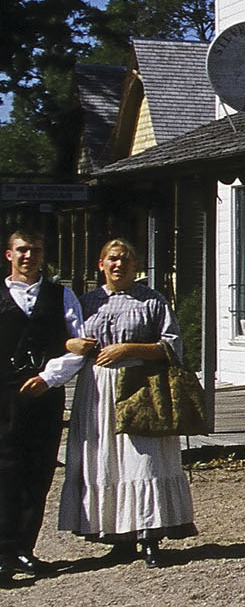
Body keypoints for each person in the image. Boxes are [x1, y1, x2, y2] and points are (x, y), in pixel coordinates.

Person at [57, 239, 196, 568]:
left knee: (143, 459)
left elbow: (172, 345)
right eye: (112, 260)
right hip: (97, 390)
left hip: (140, 386)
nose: (119, 265)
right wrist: (75, 343)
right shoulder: (86, 302)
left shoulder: (151, 300)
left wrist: (129, 349)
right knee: (105, 459)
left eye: (125, 260)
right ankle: (117, 535)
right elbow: (64, 339)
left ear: (135, 266)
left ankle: (149, 534)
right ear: (101, 264)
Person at [0, 228, 86, 583]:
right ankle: (2, 552)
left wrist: (49, 378)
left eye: (34, 250)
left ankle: (24, 548)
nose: (28, 256)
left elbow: (79, 345)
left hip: (45, 393)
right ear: (9, 254)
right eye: (21, 250)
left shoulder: (61, 295)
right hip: (3, 394)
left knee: (39, 468)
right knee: (5, 470)